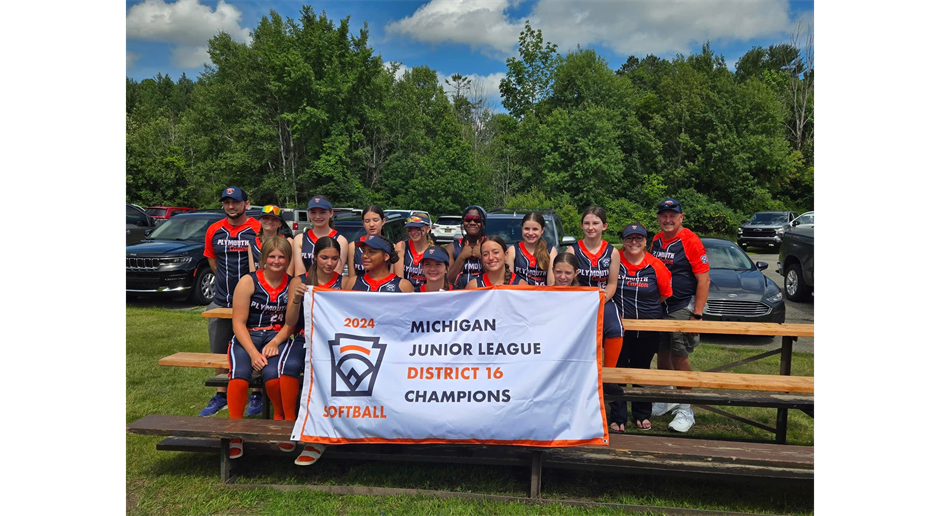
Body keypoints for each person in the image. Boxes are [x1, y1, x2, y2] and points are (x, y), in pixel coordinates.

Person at [225, 238, 295, 460]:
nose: (276, 261)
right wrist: (254, 352)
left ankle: (280, 420)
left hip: (276, 336)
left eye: (281, 256)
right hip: (248, 335)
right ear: (263, 258)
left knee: (274, 375)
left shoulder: (291, 283)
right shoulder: (248, 281)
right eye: (271, 256)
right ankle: (235, 431)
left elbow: (291, 323)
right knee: (240, 376)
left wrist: (275, 342)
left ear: (288, 259)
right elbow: (237, 322)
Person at [649, 198, 710, 433]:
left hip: (682, 306)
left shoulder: (691, 241)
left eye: (672, 215)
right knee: (661, 352)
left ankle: (686, 409)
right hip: (659, 306)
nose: (667, 219)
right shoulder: (655, 239)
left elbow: (704, 280)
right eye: (663, 215)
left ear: (681, 217)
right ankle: (667, 397)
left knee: (679, 355)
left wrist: (697, 314)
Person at [200, 186, 262, 417]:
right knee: (219, 348)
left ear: (246, 204)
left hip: (253, 300)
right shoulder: (214, 230)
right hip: (221, 299)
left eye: (235, 202)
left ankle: (257, 393)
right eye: (227, 202)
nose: (231, 206)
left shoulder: (256, 228)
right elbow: (212, 260)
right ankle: (221, 392)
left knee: (254, 345)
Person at [281, 236, 343, 466]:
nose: (329, 263)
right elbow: (290, 321)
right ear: (314, 257)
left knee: (326, 376)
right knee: (288, 369)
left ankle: (320, 431)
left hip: (332, 342)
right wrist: (296, 300)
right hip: (304, 338)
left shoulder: (343, 281)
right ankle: (289, 426)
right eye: (324, 257)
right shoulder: (299, 280)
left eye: (334, 258)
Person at [608, 224, 673, 432]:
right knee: (617, 370)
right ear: (623, 241)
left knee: (642, 370)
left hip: (648, 328)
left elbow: (664, 293)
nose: (633, 243)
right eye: (629, 239)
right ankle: (618, 416)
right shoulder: (615, 259)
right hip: (618, 328)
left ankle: (642, 413)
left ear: (646, 242)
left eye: (638, 239)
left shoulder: (656, 265)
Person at [566, 206, 623, 371]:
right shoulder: (573, 250)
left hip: (602, 299)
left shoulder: (612, 252)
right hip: (578, 301)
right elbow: (566, 280)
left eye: (595, 223)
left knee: (615, 328)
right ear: (581, 225)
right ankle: (577, 371)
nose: (591, 227)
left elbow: (612, 283)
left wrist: (604, 298)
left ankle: (610, 375)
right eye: (587, 223)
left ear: (604, 226)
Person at [293, 195, 348, 277]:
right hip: (305, 287)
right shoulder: (300, 239)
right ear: (308, 213)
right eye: (313, 212)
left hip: (330, 288)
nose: (317, 216)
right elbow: (299, 275)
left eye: (322, 212)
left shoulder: (340, 240)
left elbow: (336, 275)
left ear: (331, 213)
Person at [348, 235, 414, 292]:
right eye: (364, 251)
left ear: (386, 256)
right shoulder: (352, 282)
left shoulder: (403, 286)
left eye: (371, 252)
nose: (364, 255)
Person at [505, 212, 557, 286]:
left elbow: (551, 284)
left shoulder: (551, 251)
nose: (530, 233)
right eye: (527, 229)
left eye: (535, 229)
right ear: (521, 228)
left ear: (542, 230)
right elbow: (510, 282)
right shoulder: (513, 250)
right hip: (520, 295)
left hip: (543, 295)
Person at [446, 206, 487, 289]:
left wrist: (481, 257)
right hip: (459, 296)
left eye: (477, 220)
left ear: (483, 224)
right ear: (463, 223)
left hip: (484, 295)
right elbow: (448, 280)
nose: (472, 223)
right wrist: (462, 257)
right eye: (468, 219)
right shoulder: (451, 248)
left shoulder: (490, 245)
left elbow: (497, 277)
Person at [346, 205, 386, 286]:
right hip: (360, 293)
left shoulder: (390, 247)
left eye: (375, 220)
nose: (371, 224)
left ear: (383, 221)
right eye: (367, 221)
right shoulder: (353, 246)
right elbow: (352, 278)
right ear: (363, 223)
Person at [249, 205, 293, 272]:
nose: (270, 221)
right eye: (266, 218)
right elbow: (252, 273)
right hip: (258, 281)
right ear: (260, 221)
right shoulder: (252, 243)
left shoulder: (289, 242)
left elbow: (289, 273)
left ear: (280, 224)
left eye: (274, 219)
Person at [395, 214, 433, 288]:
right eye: (410, 229)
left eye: (417, 228)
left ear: (427, 229)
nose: (413, 232)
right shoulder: (402, 246)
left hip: (425, 294)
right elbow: (399, 279)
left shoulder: (433, 251)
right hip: (405, 293)